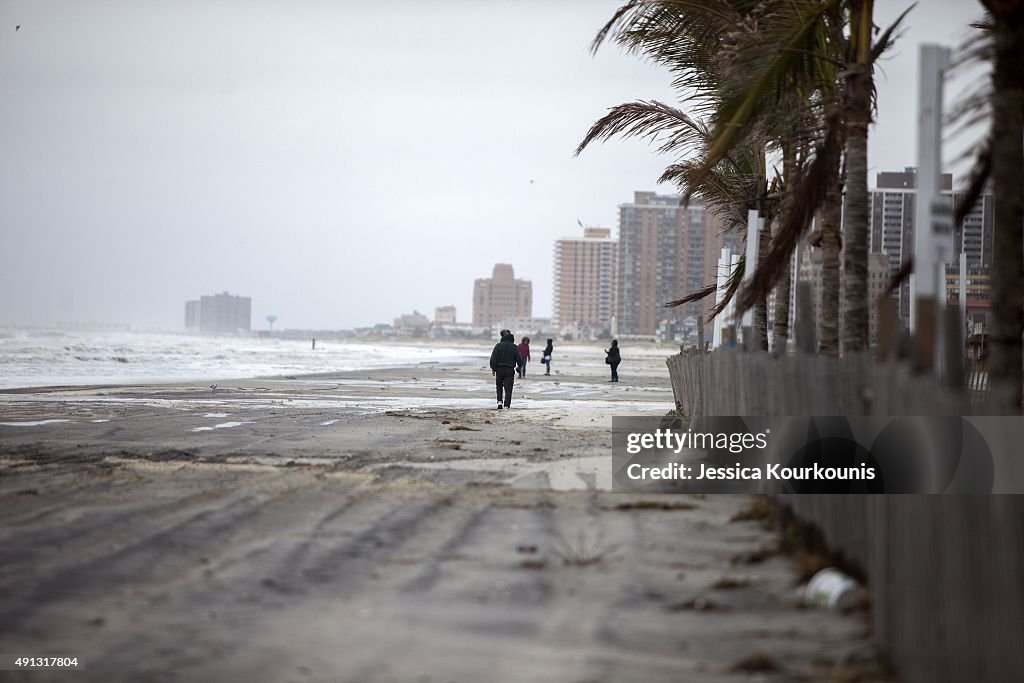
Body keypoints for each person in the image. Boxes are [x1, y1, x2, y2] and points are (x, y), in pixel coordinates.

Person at [489, 332, 523, 409]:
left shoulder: (498, 346)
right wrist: (519, 367)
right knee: (508, 388)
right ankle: (507, 405)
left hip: (499, 369)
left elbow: (493, 358)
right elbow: (519, 360)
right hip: (509, 370)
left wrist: (493, 369)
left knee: (499, 386)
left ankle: (499, 402)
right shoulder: (514, 347)